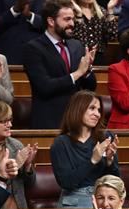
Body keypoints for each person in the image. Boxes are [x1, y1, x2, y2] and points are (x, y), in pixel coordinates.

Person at [23, 0, 97, 129]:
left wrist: (87, 71)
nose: (72, 24)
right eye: (67, 19)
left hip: (76, 121)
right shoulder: (33, 48)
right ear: (51, 21)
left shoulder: (77, 46)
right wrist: (77, 74)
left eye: (73, 19)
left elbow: (90, 87)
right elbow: (44, 87)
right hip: (49, 121)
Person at [51, 90, 119, 208]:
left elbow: (116, 180)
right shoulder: (61, 143)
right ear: (78, 110)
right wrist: (92, 160)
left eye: (98, 110)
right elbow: (66, 182)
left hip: (103, 198)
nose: (97, 114)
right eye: (92, 108)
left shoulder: (106, 137)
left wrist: (109, 162)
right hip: (74, 199)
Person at [0, 0, 45, 65]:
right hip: (7, 54)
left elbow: (51, 24)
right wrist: (14, 11)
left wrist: (30, 16)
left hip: (37, 54)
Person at [71, 0, 118, 65]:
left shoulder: (101, 11)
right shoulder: (70, 12)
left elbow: (112, 36)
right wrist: (79, 15)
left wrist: (110, 10)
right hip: (77, 57)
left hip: (99, 57)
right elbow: (75, 38)